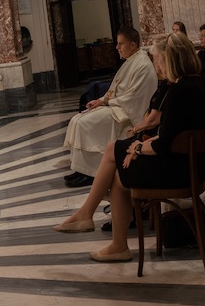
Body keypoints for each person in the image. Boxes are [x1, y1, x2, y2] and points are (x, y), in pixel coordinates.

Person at [52, 32, 205, 262]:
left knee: (113, 150)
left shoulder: (179, 92)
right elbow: (173, 136)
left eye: (158, 59)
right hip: (192, 167)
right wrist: (140, 145)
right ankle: (110, 238)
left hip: (178, 171)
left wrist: (137, 149)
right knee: (119, 173)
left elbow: (163, 144)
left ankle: (94, 221)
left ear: (170, 59)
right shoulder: (198, 84)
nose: (156, 64)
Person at [63, 27, 158, 188]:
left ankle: (91, 172)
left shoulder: (142, 65)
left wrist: (107, 102)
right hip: (118, 107)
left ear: (133, 45)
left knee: (84, 123)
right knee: (77, 119)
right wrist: (101, 100)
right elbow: (116, 90)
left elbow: (133, 99)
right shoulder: (132, 60)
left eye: (121, 44)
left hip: (126, 114)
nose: (117, 47)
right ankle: (80, 169)